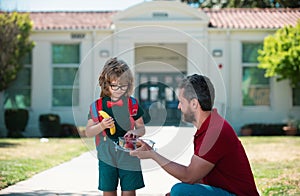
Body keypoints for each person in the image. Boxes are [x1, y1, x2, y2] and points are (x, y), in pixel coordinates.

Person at [130, 74, 259, 196]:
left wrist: (153, 154)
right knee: (181, 191)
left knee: (180, 190)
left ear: (194, 103)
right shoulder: (210, 126)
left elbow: (189, 176)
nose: (179, 107)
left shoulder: (214, 132)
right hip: (225, 191)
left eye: (181, 101)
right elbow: (198, 176)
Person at [85, 57, 146, 196]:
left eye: (123, 86)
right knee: (108, 190)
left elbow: (142, 128)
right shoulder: (97, 106)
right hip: (106, 154)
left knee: (129, 189)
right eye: (115, 86)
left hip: (129, 152)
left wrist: (135, 132)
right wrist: (101, 125)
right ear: (106, 85)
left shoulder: (132, 104)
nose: (119, 90)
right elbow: (88, 132)